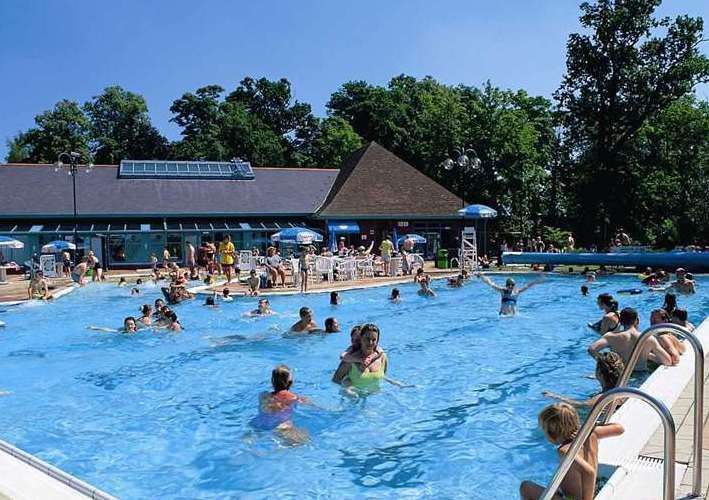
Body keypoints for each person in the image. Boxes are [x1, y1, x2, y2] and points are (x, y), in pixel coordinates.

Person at [519, 403, 624, 500]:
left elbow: (589, 472)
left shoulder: (564, 450)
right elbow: (619, 429)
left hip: (575, 498)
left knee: (526, 487)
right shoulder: (591, 433)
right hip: (594, 488)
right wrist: (590, 427)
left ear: (551, 433)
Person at [588, 307, 673, 370]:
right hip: (641, 375)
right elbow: (667, 361)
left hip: (621, 375)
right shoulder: (648, 338)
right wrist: (647, 355)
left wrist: (608, 364)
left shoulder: (611, 336)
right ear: (637, 321)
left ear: (620, 321)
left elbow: (592, 349)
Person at [251, 365, 310, 445]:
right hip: (280, 426)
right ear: (290, 383)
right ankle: (281, 447)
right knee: (304, 440)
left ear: (272, 381)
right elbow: (312, 406)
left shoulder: (263, 395)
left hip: (258, 423)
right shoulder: (293, 397)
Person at [544, 351, 625, 409]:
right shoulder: (622, 389)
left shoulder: (601, 398)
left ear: (600, 373)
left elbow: (580, 405)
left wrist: (554, 396)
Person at [332, 323, 387, 390]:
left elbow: (383, 377)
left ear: (377, 341)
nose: (370, 343)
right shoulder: (349, 359)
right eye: (367, 339)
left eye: (374, 340)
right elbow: (335, 381)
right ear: (361, 338)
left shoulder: (382, 357)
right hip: (353, 397)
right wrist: (346, 388)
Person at [477, 273, 544, 315]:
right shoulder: (503, 291)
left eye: (512, 285)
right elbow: (491, 284)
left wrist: (537, 281)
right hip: (503, 316)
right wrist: (482, 276)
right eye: (509, 285)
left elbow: (527, 286)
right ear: (506, 285)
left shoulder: (516, 292)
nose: (510, 286)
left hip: (514, 317)